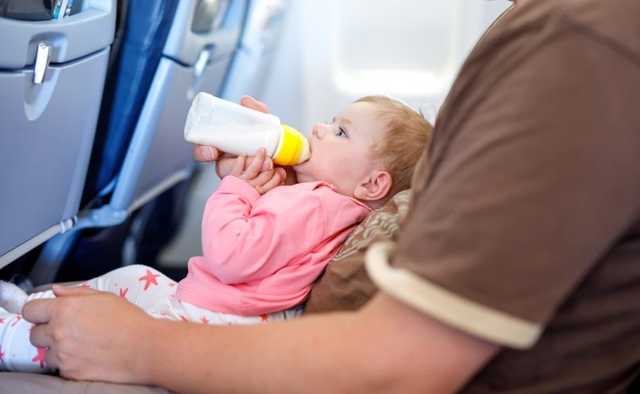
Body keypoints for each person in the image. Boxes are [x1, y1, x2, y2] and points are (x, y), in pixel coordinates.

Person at [17, 0, 640, 392]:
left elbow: (401, 367)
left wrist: (135, 348)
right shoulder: (535, 22)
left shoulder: (578, 34)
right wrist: (282, 189)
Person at [0, 95, 432, 373]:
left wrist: (236, 189)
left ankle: (14, 338)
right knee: (131, 277)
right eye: (329, 119)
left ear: (372, 185)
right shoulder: (329, 206)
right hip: (221, 308)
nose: (319, 128)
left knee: (118, 295)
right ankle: (32, 306)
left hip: (216, 319)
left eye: (340, 132)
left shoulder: (316, 204)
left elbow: (232, 257)